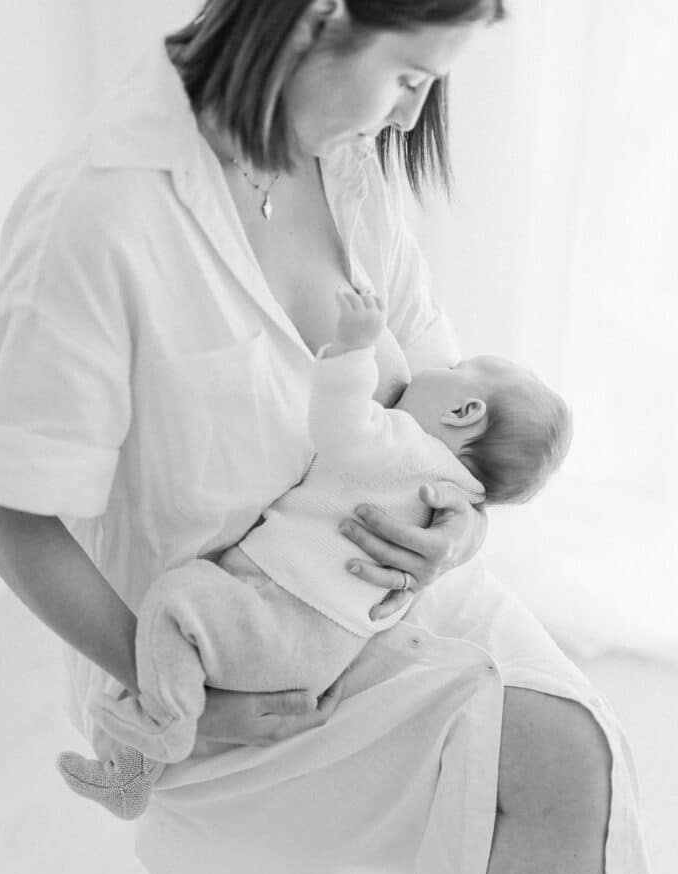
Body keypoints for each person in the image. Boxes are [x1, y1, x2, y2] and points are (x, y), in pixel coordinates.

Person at [0, 0, 667, 874]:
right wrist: (178, 694)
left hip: (379, 600)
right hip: (223, 656)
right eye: (407, 74)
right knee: (551, 762)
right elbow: (18, 509)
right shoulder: (100, 214)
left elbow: (441, 395)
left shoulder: (346, 168)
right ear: (316, 18)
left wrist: (455, 527)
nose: (408, 115)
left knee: (577, 743)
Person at [56, 289, 572, 820]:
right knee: (188, 638)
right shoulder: (458, 497)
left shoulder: (404, 445)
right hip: (323, 652)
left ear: (464, 411)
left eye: (459, 367)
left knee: (172, 603)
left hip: (282, 611)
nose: (438, 367)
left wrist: (352, 348)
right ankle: (137, 748)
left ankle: (158, 739)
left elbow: (340, 424)